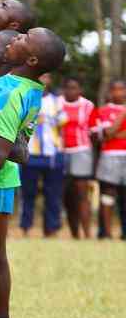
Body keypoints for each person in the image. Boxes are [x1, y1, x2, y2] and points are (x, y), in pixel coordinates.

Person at [0, 28, 66, 318]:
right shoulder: (30, 89)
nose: (14, 38)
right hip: (6, 180)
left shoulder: (7, 90)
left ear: (30, 59)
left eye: (23, 39)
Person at [19, 73, 64, 237]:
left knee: (53, 193)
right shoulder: (26, 96)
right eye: (40, 76)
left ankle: (51, 230)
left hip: (53, 154)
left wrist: (46, 119)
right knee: (27, 192)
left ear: (50, 80)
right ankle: (26, 228)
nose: (43, 80)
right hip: (30, 154)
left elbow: (63, 121)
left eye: (46, 77)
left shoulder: (57, 100)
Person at [59, 76, 95, 239]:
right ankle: (75, 234)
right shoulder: (57, 103)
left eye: (74, 88)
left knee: (82, 194)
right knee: (68, 195)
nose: (71, 91)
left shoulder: (88, 105)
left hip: (82, 151)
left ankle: (87, 233)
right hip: (61, 151)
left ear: (80, 90)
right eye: (68, 87)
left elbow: (94, 130)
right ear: (63, 89)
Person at [91, 79, 126, 239]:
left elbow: (114, 133)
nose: (119, 93)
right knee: (108, 194)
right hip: (110, 156)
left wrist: (117, 134)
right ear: (110, 92)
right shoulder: (103, 111)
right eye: (115, 89)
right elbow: (107, 134)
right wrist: (124, 113)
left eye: (122, 89)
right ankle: (106, 233)